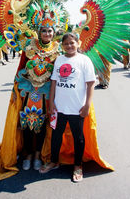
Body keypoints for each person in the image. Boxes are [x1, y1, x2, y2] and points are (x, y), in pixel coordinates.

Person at [0, 23, 60, 177]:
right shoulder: (29, 46)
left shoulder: (58, 49)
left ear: (54, 33)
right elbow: (20, 68)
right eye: (44, 31)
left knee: (41, 126)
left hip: (46, 94)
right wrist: (15, 89)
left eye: (49, 31)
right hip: (28, 91)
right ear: (39, 33)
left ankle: (38, 155)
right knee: (26, 124)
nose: (47, 33)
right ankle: (27, 155)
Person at [39, 33, 96, 182]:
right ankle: (53, 161)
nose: (69, 46)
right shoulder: (59, 60)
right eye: (66, 44)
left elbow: (91, 84)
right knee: (56, 135)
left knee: (78, 137)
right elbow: (54, 82)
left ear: (78, 43)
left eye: (72, 43)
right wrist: (51, 103)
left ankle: (78, 166)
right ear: (62, 46)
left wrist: (87, 105)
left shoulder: (85, 60)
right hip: (59, 107)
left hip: (77, 108)